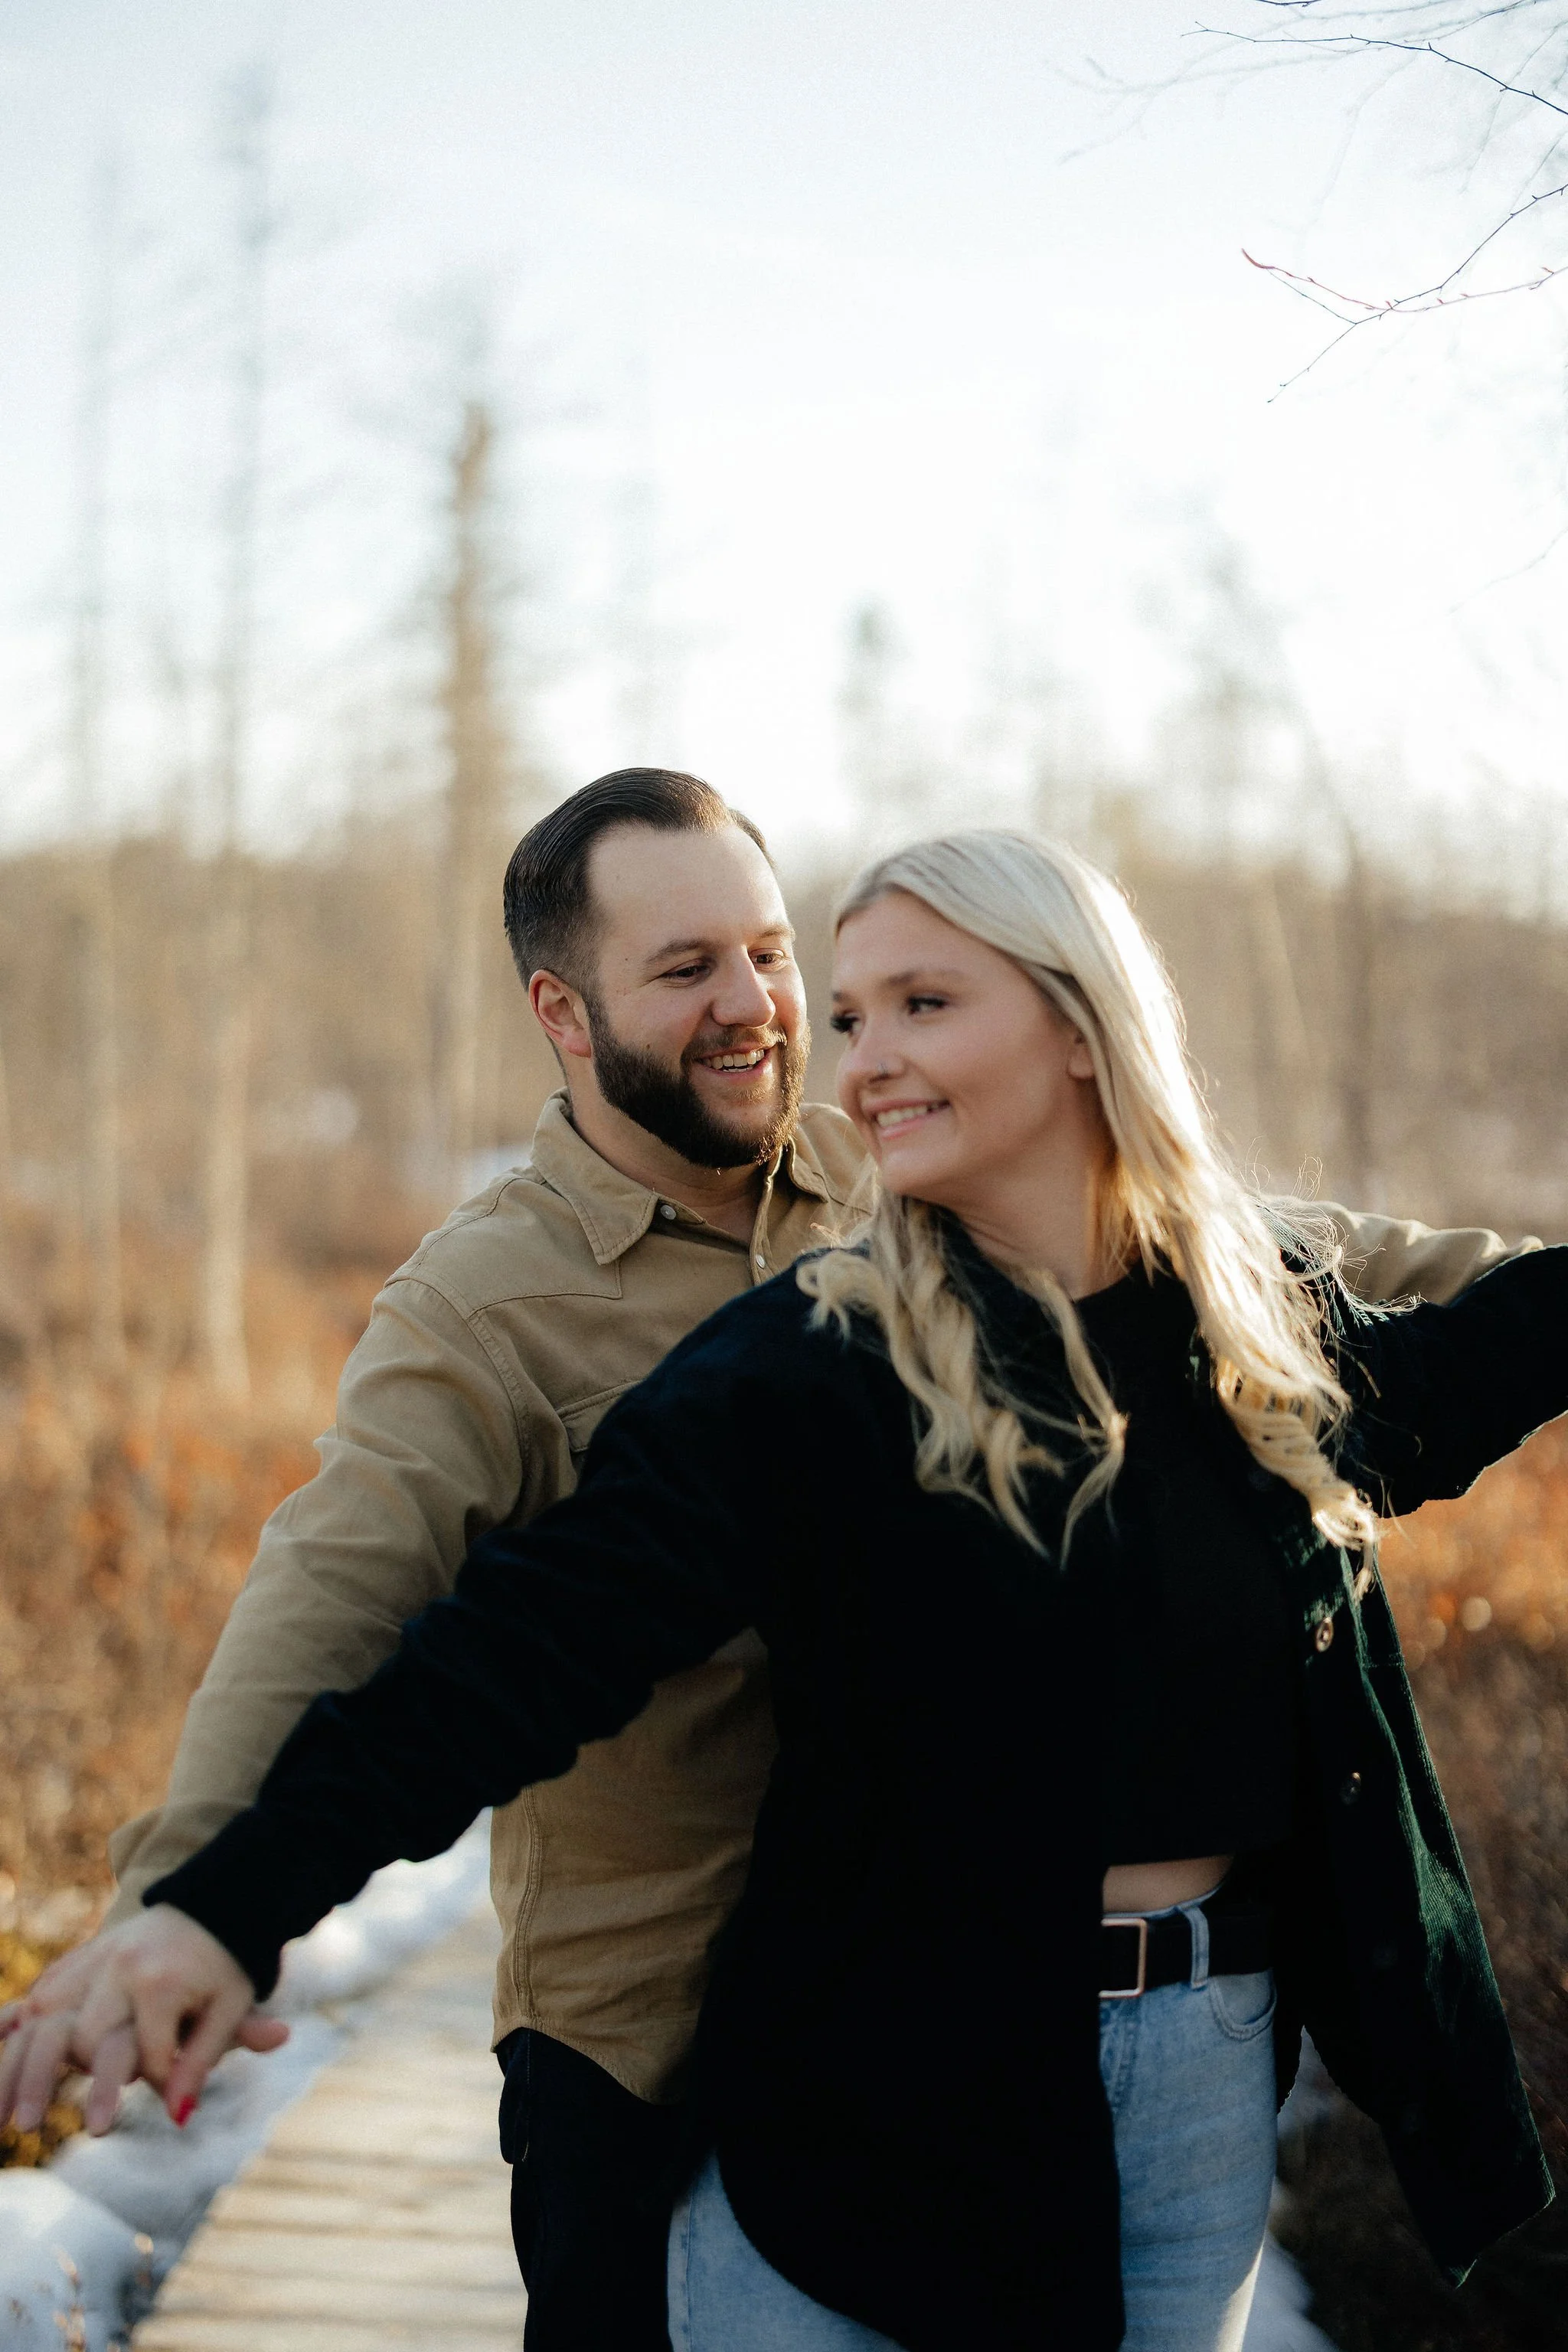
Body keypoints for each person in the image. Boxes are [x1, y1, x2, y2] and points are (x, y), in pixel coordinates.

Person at [4, 827, 1557, 2352]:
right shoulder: (809, 1360)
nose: (845, 1043)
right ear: (570, 1009)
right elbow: (487, 1653)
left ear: (1083, 1026)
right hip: (851, 2062)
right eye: (852, 1003)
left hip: (1201, 2075)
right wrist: (212, 1910)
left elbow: (1464, 1333)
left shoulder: (1248, 1327)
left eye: (912, 1002)